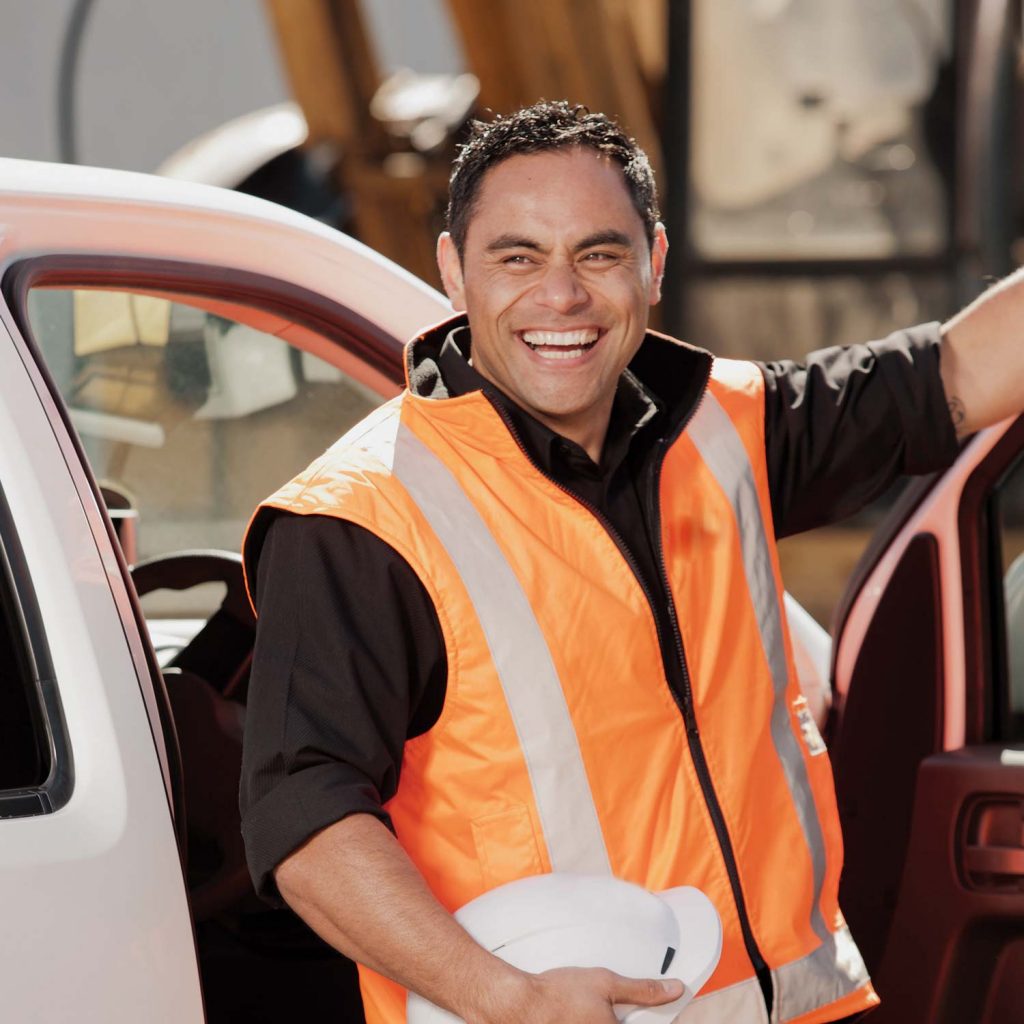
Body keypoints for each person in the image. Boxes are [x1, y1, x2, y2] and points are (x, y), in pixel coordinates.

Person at [239, 101, 1024, 1024]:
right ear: (453, 271)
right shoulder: (361, 516)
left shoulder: (728, 429)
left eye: (598, 254)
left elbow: (961, 375)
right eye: (517, 257)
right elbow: (304, 818)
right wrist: (506, 997)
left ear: (653, 262)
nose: (561, 296)